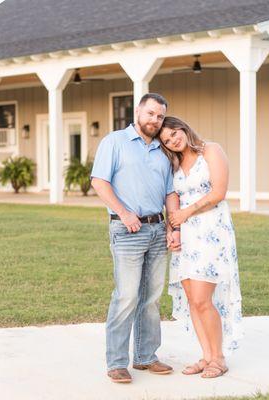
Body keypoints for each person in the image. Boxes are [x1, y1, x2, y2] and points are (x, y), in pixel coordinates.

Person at [91, 93, 180, 384]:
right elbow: (99, 181)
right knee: (126, 296)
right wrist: (124, 212)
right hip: (127, 230)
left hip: (157, 230)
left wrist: (172, 226)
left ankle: (145, 357)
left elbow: (169, 192)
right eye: (151, 113)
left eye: (160, 116)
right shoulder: (115, 142)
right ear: (138, 111)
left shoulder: (162, 150)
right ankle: (116, 362)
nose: (155, 120)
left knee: (152, 298)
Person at [158, 116, 243, 379]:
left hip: (211, 231)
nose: (173, 139)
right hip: (187, 237)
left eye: (174, 132)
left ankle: (219, 358)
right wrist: (173, 230)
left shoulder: (211, 150)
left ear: (183, 127)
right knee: (193, 301)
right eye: (167, 140)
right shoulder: (174, 165)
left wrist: (187, 213)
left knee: (202, 299)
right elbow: (172, 200)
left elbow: (219, 192)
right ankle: (206, 357)